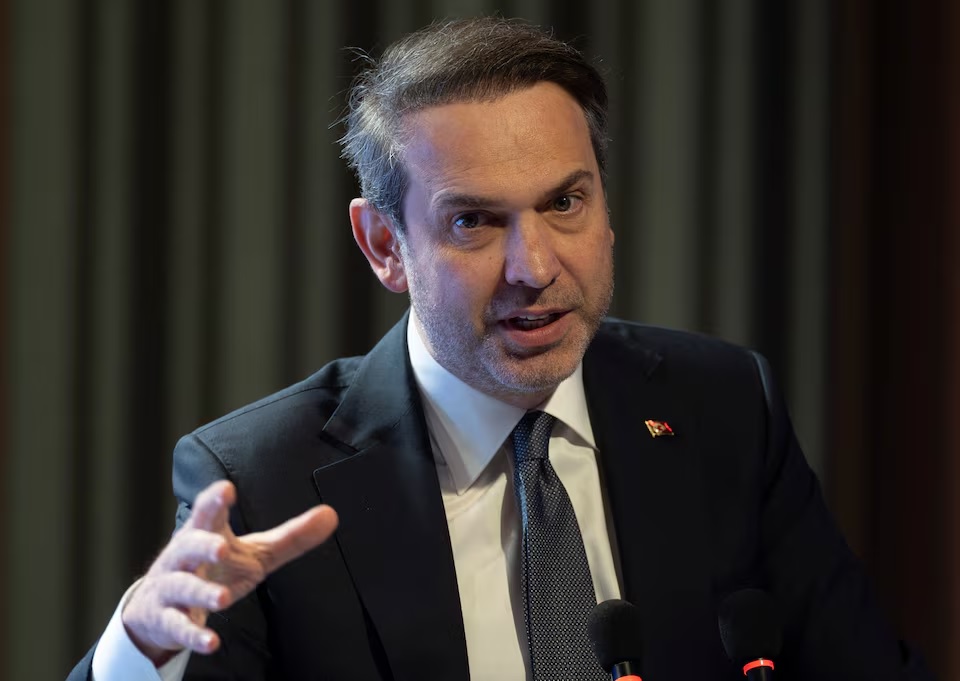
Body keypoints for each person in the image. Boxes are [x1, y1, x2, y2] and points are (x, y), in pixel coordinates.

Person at [69, 16, 931, 681]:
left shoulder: (722, 408)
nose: (536, 267)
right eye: (475, 221)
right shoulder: (266, 478)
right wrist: (140, 646)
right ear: (383, 246)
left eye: (565, 203)